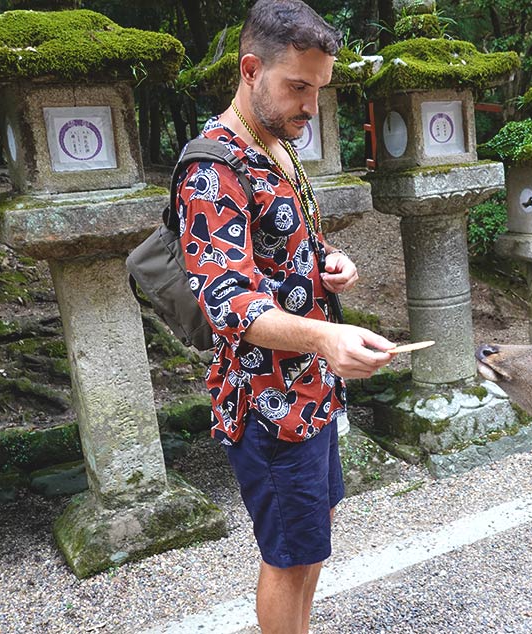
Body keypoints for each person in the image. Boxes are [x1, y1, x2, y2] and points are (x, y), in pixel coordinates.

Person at [176, 1, 395, 632]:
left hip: (311, 388)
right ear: (251, 69)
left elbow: (288, 245)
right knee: (287, 556)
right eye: (297, 87)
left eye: (318, 90)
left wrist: (331, 262)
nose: (310, 106)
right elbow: (230, 304)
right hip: (268, 401)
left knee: (314, 535)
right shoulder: (213, 168)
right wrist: (327, 336)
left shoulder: (277, 146)